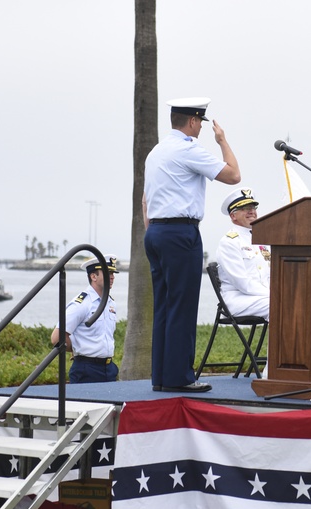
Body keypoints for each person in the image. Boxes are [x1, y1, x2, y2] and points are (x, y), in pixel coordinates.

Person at [142, 97, 241, 392]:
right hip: (179, 233)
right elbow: (234, 175)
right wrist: (222, 141)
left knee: (164, 306)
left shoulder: (156, 152)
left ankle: (161, 377)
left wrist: (153, 230)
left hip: (156, 232)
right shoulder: (189, 150)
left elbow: (145, 200)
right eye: (200, 122)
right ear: (194, 121)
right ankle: (180, 377)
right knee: (182, 308)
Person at [50, 256, 120, 383]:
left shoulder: (110, 303)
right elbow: (56, 337)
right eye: (107, 273)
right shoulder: (82, 304)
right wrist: (77, 347)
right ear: (93, 277)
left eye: (113, 273)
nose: (112, 277)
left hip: (109, 368)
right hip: (86, 369)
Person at [215, 188, 270, 319]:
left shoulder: (262, 240)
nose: (252, 211)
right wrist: (273, 294)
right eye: (245, 208)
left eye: (253, 207)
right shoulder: (229, 242)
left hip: (260, 297)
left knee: (293, 301)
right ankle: (282, 340)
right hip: (237, 299)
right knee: (279, 304)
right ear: (233, 216)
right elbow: (242, 283)